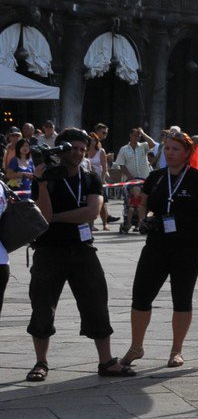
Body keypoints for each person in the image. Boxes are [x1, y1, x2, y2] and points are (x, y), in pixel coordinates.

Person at [119, 131, 198, 373]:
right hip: (156, 246)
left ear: (187, 153)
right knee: (141, 296)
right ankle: (136, 346)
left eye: (175, 149)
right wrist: (143, 219)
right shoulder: (156, 177)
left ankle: (176, 350)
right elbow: (143, 203)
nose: (170, 153)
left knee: (181, 298)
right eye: (167, 148)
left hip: (188, 248)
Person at [26, 129, 118, 382]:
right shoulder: (47, 179)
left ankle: (106, 361)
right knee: (42, 306)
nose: (77, 152)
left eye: (82, 148)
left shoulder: (90, 179)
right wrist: (42, 183)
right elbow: (43, 215)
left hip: (82, 250)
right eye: (72, 148)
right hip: (48, 250)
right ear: (61, 149)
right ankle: (41, 362)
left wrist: (55, 218)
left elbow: (91, 212)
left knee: (97, 303)